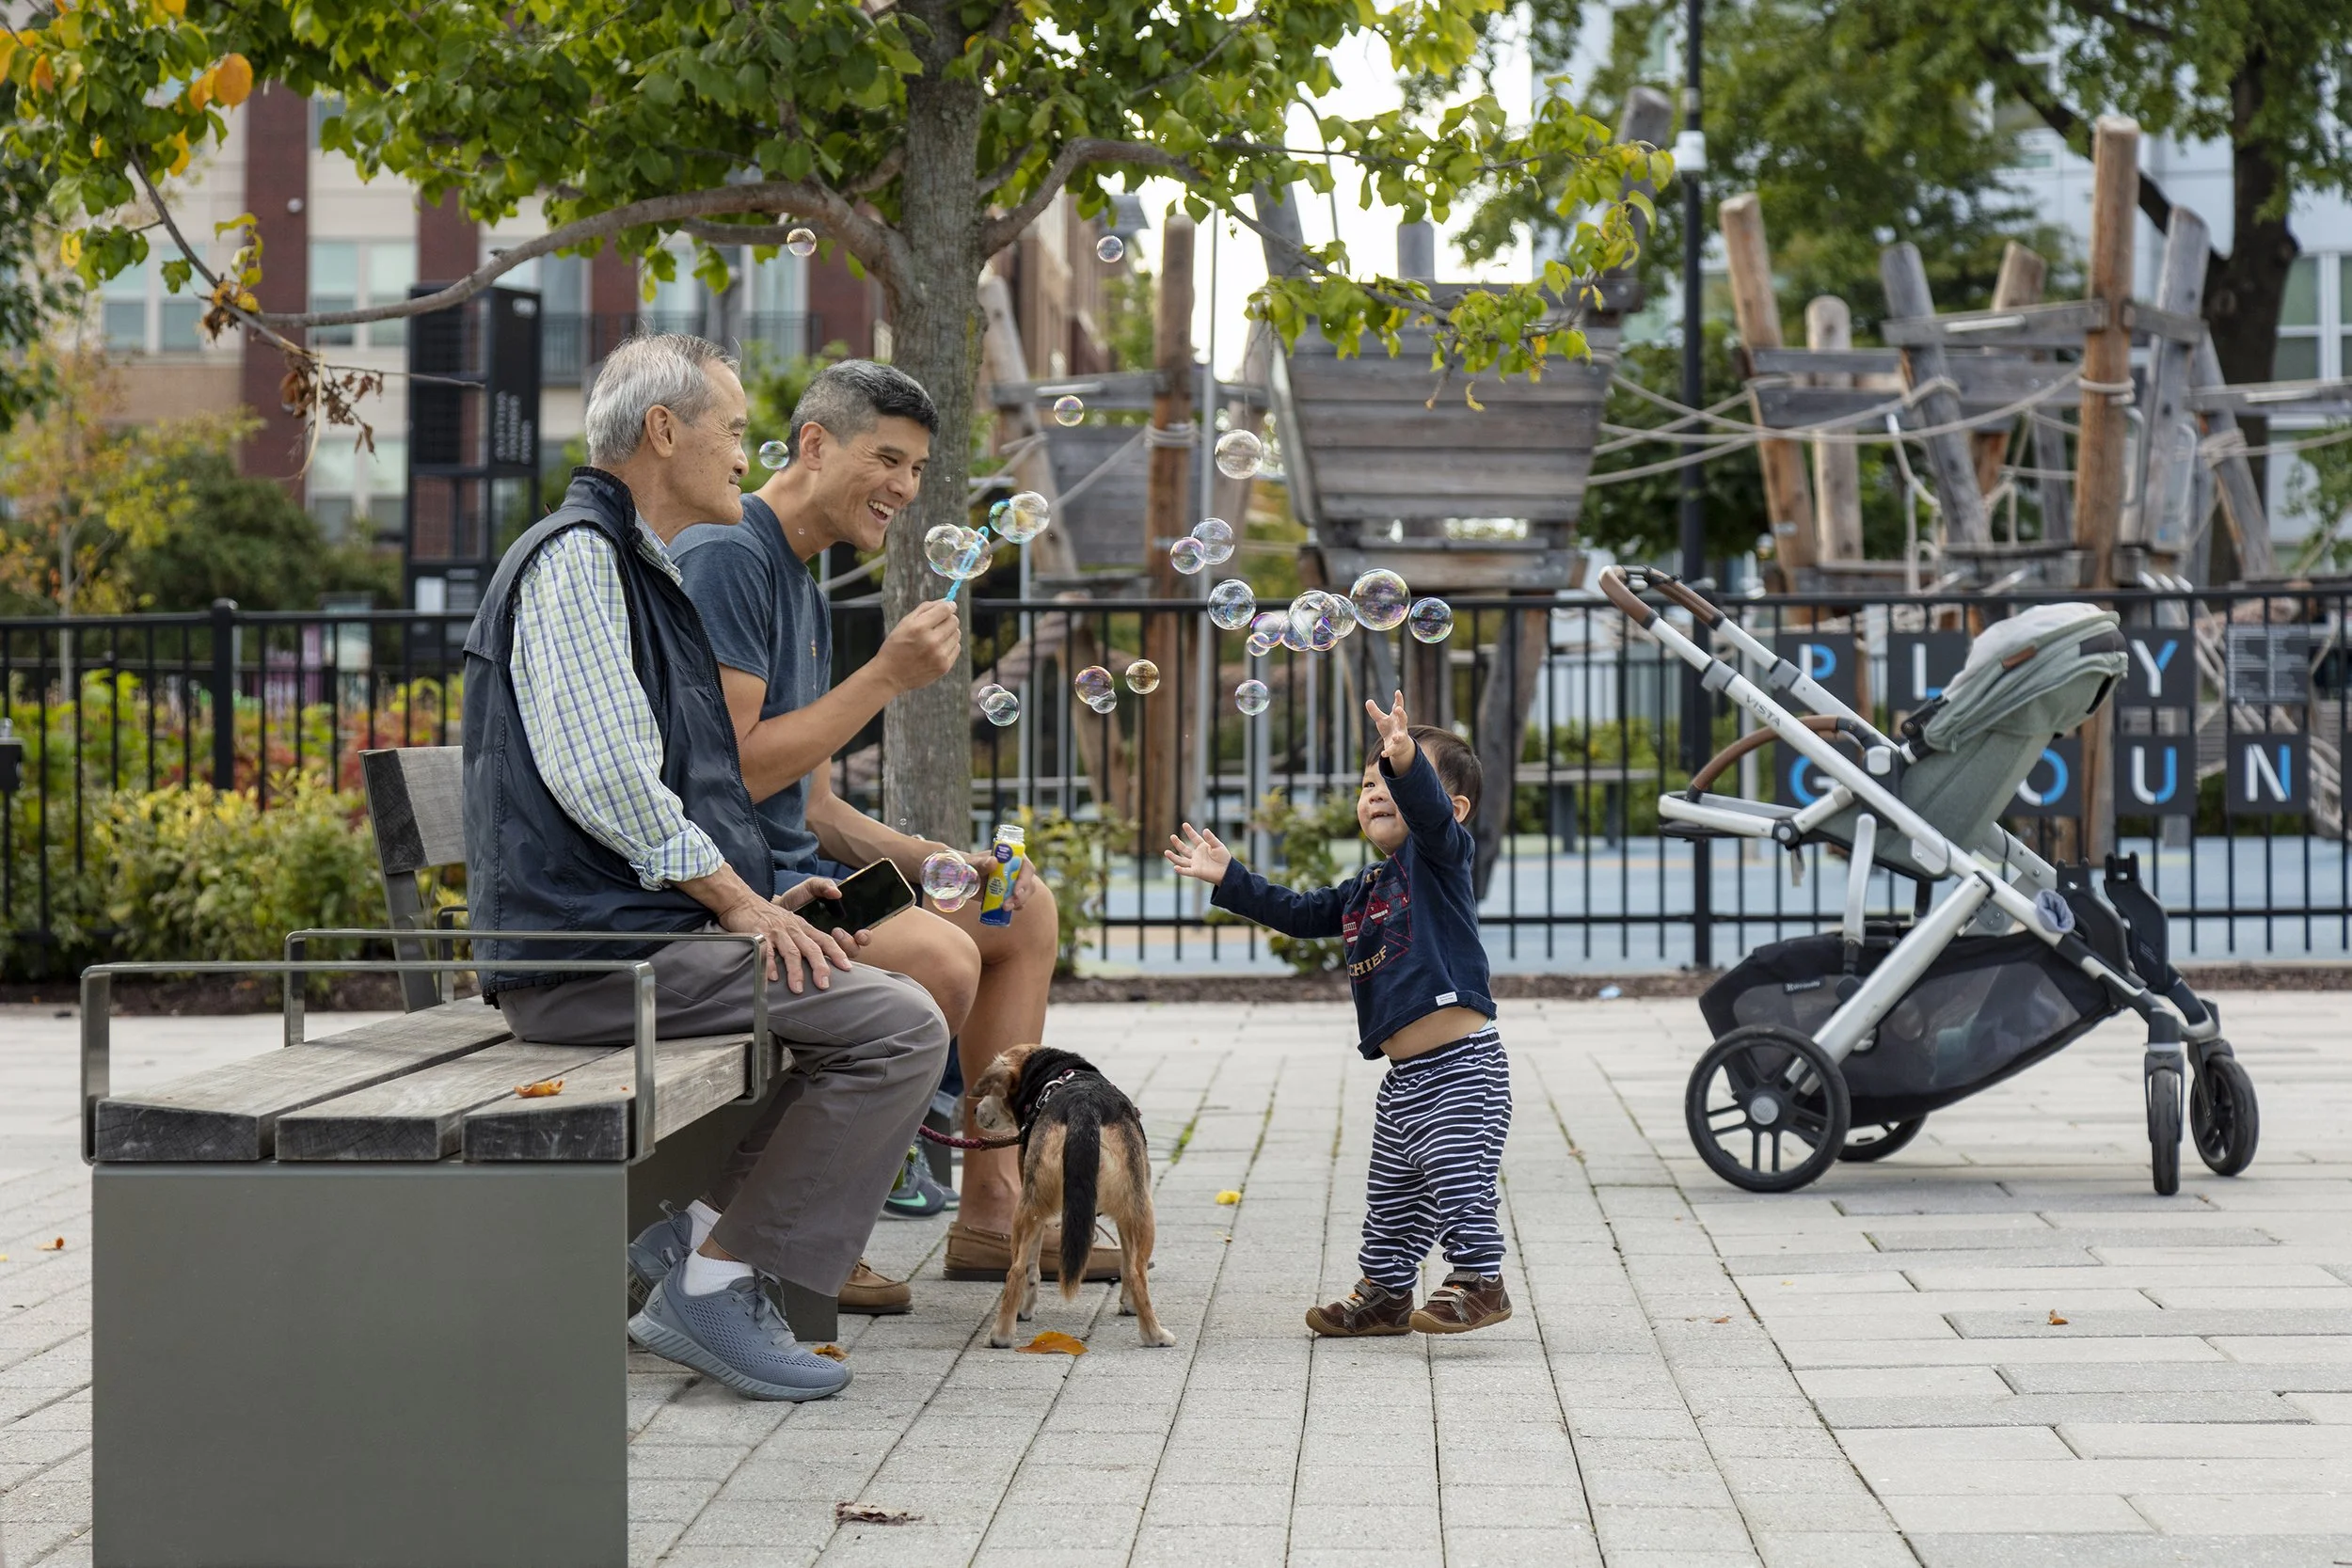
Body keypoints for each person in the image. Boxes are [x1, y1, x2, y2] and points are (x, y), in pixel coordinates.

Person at [461, 334, 950, 1402]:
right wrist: (735, 901)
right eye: (732, 429)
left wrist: (760, 900)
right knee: (901, 1022)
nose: (746, 454)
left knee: (859, 999)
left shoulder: (634, 568)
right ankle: (713, 1280)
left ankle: (691, 1242)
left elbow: (661, 788)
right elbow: (609, 782)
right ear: (664, 430)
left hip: (622, 936)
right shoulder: (578, 560)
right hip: (583, 960)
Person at [674, 359, 1117, 1285]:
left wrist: (944, 861)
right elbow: (739, 769)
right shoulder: (728, 558)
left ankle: (993, 1211)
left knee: (1018, 911)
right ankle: (810, 1230)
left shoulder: (797, 579)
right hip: (742, 903)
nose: (905, 489)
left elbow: (816, 805)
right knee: (943, 955)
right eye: (887, 459)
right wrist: (883, 676)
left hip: (809, 884)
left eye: (916, 469)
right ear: (812, 444)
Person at [1165, 693, 1513, 1337]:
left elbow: (1429, 816)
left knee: (1458, 1172)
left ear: (1453, 807)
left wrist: (1403, 755)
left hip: (1465, 1071)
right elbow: (1297, 913)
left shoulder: (1441, 859)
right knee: (1393, 1196)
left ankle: (1479, 1279)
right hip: (1406, 1080)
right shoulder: (1366, 889)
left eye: (1393, 780)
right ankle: (1385, 1292)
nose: (1376, 789)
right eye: (1366, 782)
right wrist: (1229, 875)